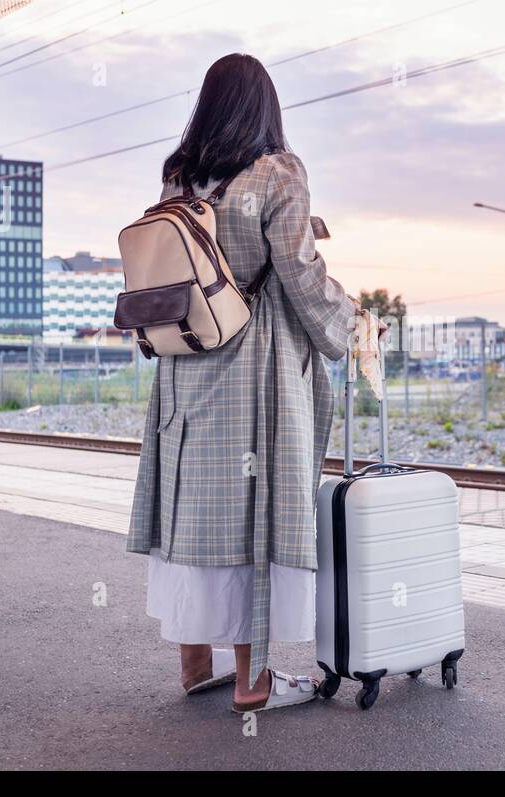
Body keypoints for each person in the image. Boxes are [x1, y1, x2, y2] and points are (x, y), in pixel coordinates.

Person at [127, 53, 358, 713]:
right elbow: (299, 270)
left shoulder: (180, 175)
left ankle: (196, 665)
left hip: (184, 363)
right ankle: (255, 685)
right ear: (267, 108)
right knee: (252, 515)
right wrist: (352, 319)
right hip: (250, 365)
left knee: (191, 513)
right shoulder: (278, 172)